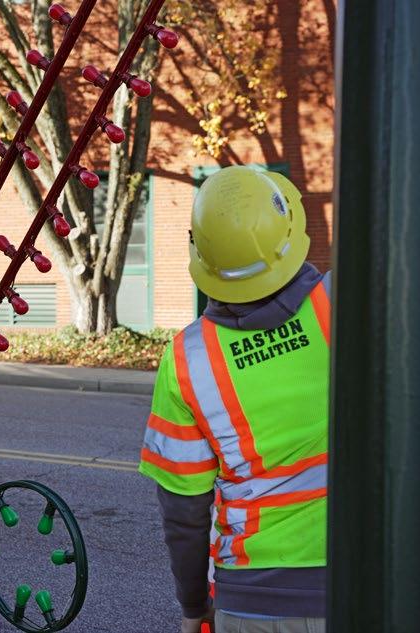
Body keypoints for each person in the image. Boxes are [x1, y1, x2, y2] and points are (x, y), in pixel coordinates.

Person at [139, 166, 331, 633]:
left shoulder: (186, 359)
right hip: (368, 578)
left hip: (251, 601)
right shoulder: (346, 304)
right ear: (290, 231)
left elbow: (184, 512)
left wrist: (193, 606)